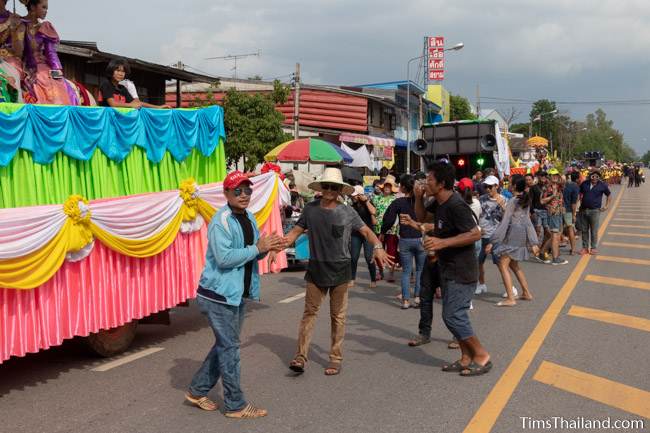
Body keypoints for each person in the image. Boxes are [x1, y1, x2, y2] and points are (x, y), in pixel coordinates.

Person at [186, 171, 283, 419]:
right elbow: (225, 258)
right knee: (230, 348)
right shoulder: (222, 221)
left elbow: (251, 253)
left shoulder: (249, 217)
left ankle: (197, 391)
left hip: (236, 293)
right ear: (226, 194)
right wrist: (257, 248)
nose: (243, 195)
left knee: (225, 345)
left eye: (247, 190)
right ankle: (235, 404)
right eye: (237, 190)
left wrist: (266, 248)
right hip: (217, 294)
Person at [284, 168, 393, 376]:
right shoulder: (310, 210)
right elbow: (296, 232)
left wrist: (378, 246)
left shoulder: (348, 212)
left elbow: (367, 231)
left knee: (338, 317)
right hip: (317, 268)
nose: (330, 190)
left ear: (340, 190)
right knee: (309, 314)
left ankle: (335, 358)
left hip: (340, 269)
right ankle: (300, 356)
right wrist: (279, 245)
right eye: (327, 186)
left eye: (334, 187)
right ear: (321, 188)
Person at [415, 161, 492, 376]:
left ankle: (481, 355)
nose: (426, 182)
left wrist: (441, 243)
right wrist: (418, 197)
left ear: (441, 183)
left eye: (429, 179)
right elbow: (421, 217)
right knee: (453, 315)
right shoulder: (438, 202)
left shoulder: (456, 205)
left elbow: (475, 233)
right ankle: (466, 357)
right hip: (447, 268)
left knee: (453, 316)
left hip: (462, 270)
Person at [485, 179, 539, 306]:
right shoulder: (524, 200)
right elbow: (527, 221)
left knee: (503, 264)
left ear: (514, 186)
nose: (508, 185)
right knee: (514, 265)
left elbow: (505, 222)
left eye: (510, 183)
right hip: (521, 235)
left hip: (513, 234)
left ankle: (510, 298)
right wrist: (533, 242)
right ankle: (526, 293)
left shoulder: (513, 200)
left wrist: (493, 241)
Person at [22, 0, 79, 105]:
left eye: (46, 8)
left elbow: (51, 53)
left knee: (53, 83)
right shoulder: (19, 23)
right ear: (33, 7)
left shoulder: (45, 27)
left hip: (40, 65)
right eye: (43, 7)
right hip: (21, 63)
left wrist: (57, 70)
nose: (46, 11)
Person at [381, 174, 425, 309]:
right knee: (420, 270)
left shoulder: (398, 203)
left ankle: (405, 300)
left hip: (405, 239)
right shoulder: (422, 202)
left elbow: (388, 219)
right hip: (421, 238)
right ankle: (417, 297)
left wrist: (383, 232)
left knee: (406, 271)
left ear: (404, 188)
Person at [98, 58, 171, 109]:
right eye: (117, 70)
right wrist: (131, 105)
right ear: (111, 71)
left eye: (123, 71)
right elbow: (113, 104)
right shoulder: (106, 84)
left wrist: (158, 107)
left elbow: (137, 103)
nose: (120, 74)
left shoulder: (123, 88)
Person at [476, 175, 506, 295]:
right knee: (479, 262)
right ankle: (481, 284)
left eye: (490, 186)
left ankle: (510, 288)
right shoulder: (482, 199)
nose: (487, 189)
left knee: (500, 264)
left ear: (496, 186)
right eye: (485, 186)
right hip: (483, 235)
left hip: (496, 237)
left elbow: (508, 219)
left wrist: (503, 206)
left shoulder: (504, 199)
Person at [349, 185, 378, 289]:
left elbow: (374, 212)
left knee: (368, 256)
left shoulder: (368, 203)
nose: (353, 197)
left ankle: (373, 279)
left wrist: (366, 201)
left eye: (355, 195)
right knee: (353, 257)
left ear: (360, 195)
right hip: (356, 234)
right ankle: (352, 279)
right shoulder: (352, 205)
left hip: (368, 233)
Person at [578, 170, 611, 255]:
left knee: (594, 231)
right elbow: (579, 194)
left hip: (595, 211)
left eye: (597, 176)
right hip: (584, 210)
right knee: (584, 230)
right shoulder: (584, 184)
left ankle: (593, 248)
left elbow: (609, 195)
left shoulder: (602, 185)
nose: (594, 178)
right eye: (593, 176)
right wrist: (578, 204)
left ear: (599, 177)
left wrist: (606, 206)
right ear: (590, 176)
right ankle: (585, 248)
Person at [372, 174, 399, 282]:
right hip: (378, 228)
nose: (387, 188)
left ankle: (391, 273)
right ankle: (380, 271)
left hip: (392, 229)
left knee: (391, 251)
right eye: (386, 186)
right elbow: (372, 211)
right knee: (379, 250)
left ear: (392, 188)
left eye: (389, 186)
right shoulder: (376, 198)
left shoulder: (395, 199)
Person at [540, 169, 568, 265]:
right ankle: (555, 258)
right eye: (552, 175)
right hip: (553, 213)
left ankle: (542, 252)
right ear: (549, 177)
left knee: (556, 235)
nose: (555, 176)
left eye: (556, 174)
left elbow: (564, 179)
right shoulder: (547, 188)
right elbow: (542, 201)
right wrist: (552, 196)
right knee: (555, 235)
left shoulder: (559, 186)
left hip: (559, 212)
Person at [0, 0, 25, 102]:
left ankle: (17, 108)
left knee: (13, 73)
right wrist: (7, 23)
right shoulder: (10, 20)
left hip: (10, 60)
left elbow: (19, 51)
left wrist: (14, 31)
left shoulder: (17, 19)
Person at [528, 172, 551, 263]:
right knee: (537, 231)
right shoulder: (534, 187)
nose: (543, 177)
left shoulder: (548, 187)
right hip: (537, 211)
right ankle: (536, 252)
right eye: (542, 176)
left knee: (548, 232)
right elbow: (530, 200)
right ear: (538, 177)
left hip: (546, 212)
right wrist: (532, 211)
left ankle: (542, 250)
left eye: (545, 176)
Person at [563, 171, 580, 255]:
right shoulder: (575, 187)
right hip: (568, 210)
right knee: (570, 229)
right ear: (577, 179)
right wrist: (574, 215)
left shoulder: (566, 185)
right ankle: (573, 249)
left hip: (560, 209)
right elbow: (574, 203)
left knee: (557, 230)